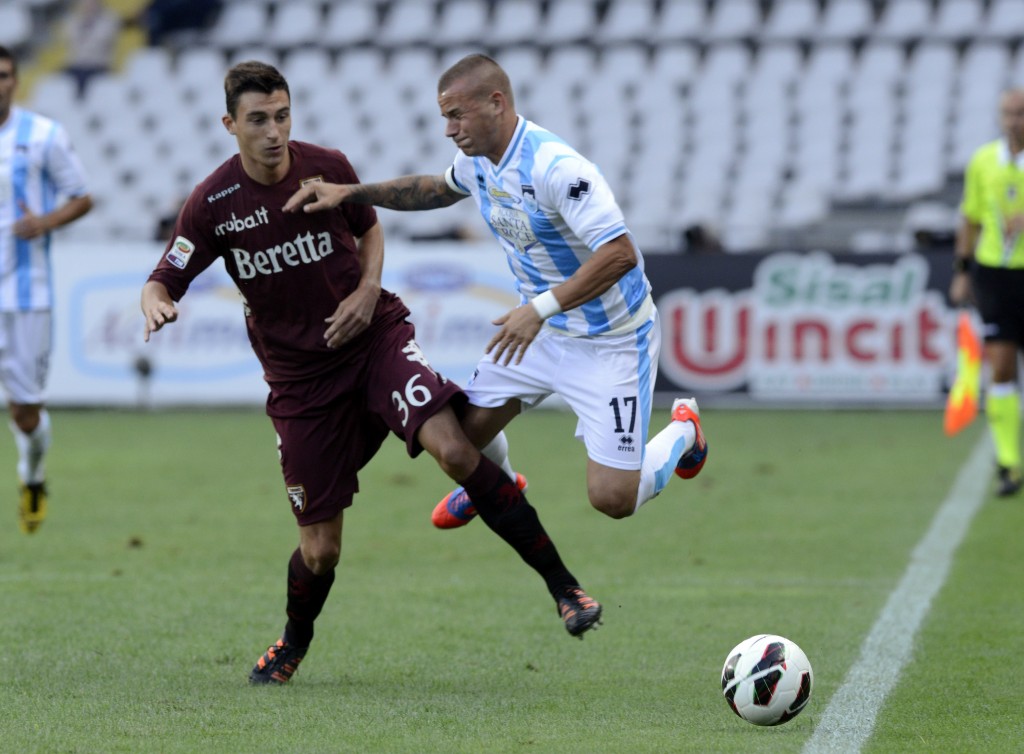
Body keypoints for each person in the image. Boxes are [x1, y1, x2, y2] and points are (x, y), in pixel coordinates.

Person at [140, 61, 602, 686]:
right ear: (230, 125)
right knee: (320, 550)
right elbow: (165, 274)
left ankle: (565, 589)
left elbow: (370, 228)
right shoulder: (214, 202)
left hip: (372, 341)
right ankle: (292, 643)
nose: (274, 132)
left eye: (282, 115)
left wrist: (367, 288)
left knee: (455, 450)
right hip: (301, 384)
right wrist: (157, 301)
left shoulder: (326, 164)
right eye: (258, 120)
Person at [284, 53, 707, 532]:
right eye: (444, 117)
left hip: (610, 340)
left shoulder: (558, 167)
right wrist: (349, 192)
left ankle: (684, 432)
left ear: (496, 103)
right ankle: (500, 485)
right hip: (542, 332)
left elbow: (621, 254)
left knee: (613, 498)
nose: (448, 129)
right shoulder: (479, 163)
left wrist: (539, 309)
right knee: (456, 440)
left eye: (456, 114)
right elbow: (433, 189)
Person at [0, 46, 94, 534]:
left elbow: (82, 197)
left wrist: (44, 222)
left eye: (4, 75)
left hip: (26, 295)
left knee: (26, 411)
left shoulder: (43, 135)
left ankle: (32, 475)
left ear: (15, 81)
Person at [951, 87, 1024, 497]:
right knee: (1000, 365)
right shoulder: (983, 161)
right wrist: (963, 270)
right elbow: (971, 217)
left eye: (1021, 113)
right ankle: (1009, 464)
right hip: (995, 274)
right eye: (1008, 113)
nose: (1014, 121)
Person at [62, 0, 120, 100]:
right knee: (58, 82)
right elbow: (68, 37)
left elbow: (101, 40)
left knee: (88, 89)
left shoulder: (109, 19)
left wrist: (83, 40)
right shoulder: (75, 19)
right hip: (76, 65)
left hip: (98, 66)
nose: (88, 4)